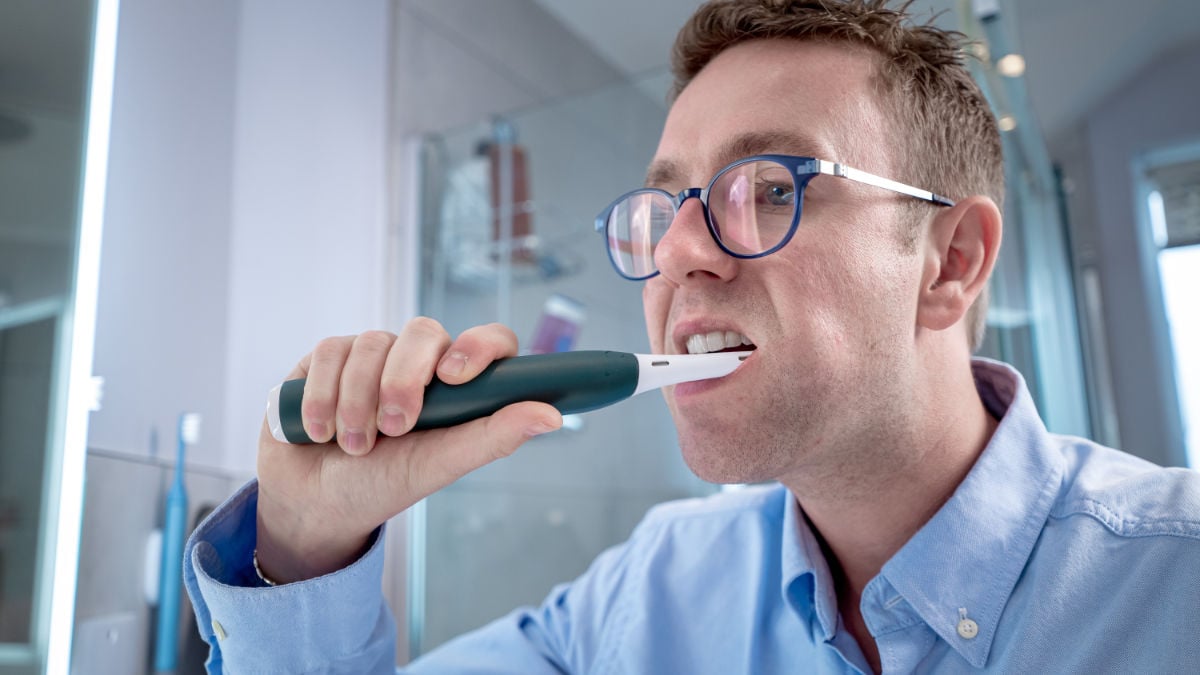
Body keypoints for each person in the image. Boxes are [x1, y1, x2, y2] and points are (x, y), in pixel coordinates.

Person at [184, 1, 1200, 672]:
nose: (680, 256)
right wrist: (306, 547)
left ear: (951, 263)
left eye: (769, 190)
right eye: (666, 207)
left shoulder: (1172, 587)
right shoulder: (647, 597)